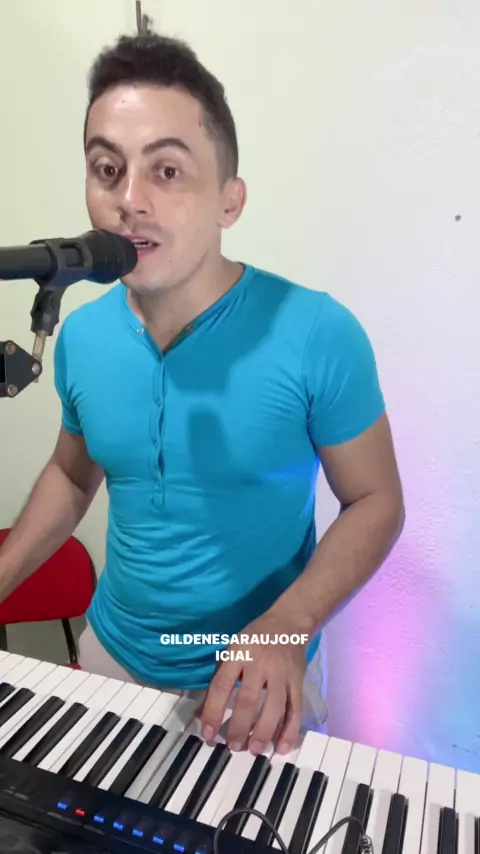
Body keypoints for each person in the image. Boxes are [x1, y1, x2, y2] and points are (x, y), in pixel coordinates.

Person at [0, 31, 404, 757]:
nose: (129, 201)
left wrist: (286, 630)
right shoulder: (83, 336)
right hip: (111, 657)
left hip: (258, 684)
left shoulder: (318, 332)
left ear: (229, 200)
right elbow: (72, 473)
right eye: (107, 168)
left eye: (167, 170)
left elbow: (377, 501)